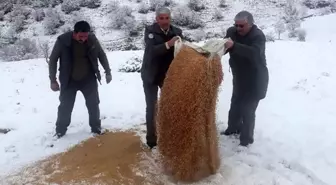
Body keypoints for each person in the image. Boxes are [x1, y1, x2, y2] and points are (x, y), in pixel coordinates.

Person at [48, 21, 112, 138]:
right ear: (75, 33)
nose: (83, 39)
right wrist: (53, 80)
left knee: (93, 104)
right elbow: (53, 60)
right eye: (81, 36)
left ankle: (96, 127)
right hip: (69, 79)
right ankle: (60, 131)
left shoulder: (92, 39)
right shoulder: (63, 41)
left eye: (86, 36)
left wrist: (108, 72)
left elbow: (101, 55)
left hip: (88, 78)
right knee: (65, 106)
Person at [220, 11, 269, 146]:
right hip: (239, 75)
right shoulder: (232, 32)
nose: (238, 28)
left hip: (256, 78)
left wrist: (234, 46)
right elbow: (224, 47)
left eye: (242, 26)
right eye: (236, 25)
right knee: (235, 103)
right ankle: (232, 129)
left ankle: (246, 140)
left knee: (248, 109)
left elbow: (254, 53)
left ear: (250, 24)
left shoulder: (258, 36)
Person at [141, 7, 183, 149]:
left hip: (168, 75)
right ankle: (151, 140)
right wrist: (168, 44)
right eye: (161, 18)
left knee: (170, 106)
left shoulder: (177, 32)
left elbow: (182, 50)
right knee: (152, 107)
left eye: (167, 18)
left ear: (170, 18)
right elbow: (151, 50)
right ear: (156, 19)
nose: (164, 21)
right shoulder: (150, 31)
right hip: (151, 75)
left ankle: (168, 135)